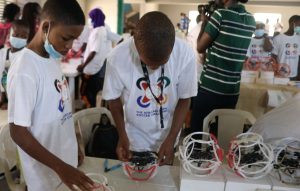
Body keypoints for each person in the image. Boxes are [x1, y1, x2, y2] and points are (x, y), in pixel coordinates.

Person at [7, 0, 95, 190]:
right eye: (66, 38)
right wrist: (60, 166)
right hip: (46, 174)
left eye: (74, 40)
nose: (69, 46)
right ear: (46, 27)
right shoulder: (25, 69)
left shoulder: (52, 57)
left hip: (64, 162)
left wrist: (73, 145)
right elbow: (18, 132)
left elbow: (60, 107)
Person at [103, 11, 197, 166]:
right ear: (136, 47)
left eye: (160, 65)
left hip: (169, 135)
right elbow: (113, 100)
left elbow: (185, 98)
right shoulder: (116, 57)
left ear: (173, 47)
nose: (153, 68)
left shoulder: (185, 54)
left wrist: (172, 138)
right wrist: (122, 135)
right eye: (147, 64)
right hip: (133, 137)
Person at [190, 0, 256, 139]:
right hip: (232, 90)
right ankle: (220, 158)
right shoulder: (251, 19)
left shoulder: (220, 15)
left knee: (197, 133)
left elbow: (201, 47)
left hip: (210, 87)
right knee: (224, 135)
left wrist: (204, 23)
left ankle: (196, 157)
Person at [77, 8, 107, 108]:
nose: (90, 20)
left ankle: (91, 109)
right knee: (93, 92)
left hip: (90, 68)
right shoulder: (102, 29)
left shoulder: (96, 32)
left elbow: (93, 51)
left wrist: (83, 65)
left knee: (83, 92)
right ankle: (94, 109)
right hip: (97, 66)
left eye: (91, 18)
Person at [0, 20, 29, 111]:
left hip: (22, 103)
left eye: (23, 37)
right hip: (6, 98)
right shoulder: (3, 53)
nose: (19, 38)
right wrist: (3, 99)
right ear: (9, 33)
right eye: (16, 35)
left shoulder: (27, 56)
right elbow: (1, 77)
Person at [272, 15, 300, 79]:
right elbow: (274, 57)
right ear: (292, 24)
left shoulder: (298, 39)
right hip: (280, 74)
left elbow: (299, 57)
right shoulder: (278, 38)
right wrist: (275, 71)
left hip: (294, 75)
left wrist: (299, 73)